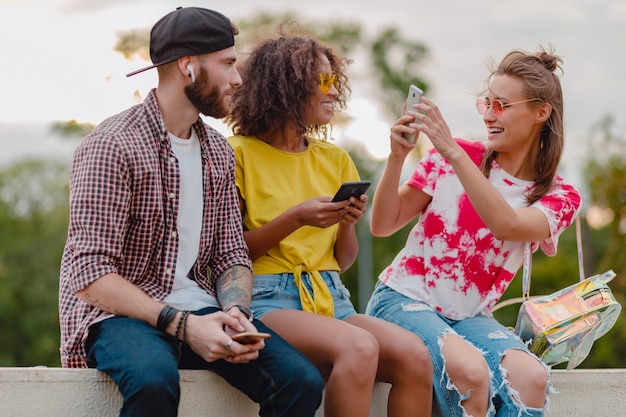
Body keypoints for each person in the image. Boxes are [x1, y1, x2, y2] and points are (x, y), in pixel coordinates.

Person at [58, 7, 323, 417]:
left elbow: (230, 253)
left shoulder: (217, 151)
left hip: (200, 309)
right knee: (153, 381)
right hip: (119, 316)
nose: (237, 79)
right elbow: (89, 274)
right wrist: (184, 326)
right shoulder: (112, 145)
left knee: (300, 382)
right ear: (188, 67)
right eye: (228, 64)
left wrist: (235, 312)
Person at [365, 46, 582, 417]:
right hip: (403, 300)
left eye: (502, 106)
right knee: (470, 371)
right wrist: (397, 158)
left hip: (471, 318)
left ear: (540, 112)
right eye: (487, 103)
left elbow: (509, 225)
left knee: (531, 377)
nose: (488, 116)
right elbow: (383, 225)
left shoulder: (558, 196)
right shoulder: (453, 157)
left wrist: (453, 152)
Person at [225, 33, 433, 417]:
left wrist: (346, 223)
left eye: (334, 80)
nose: (334, 91)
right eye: (323, 81)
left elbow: (343, 260)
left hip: (331, 297)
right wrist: (295, 218)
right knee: (358, 346)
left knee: (414, 355)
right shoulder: (235, 153)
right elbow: (228, 255)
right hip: (266, 299)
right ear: (287, 86)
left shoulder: (334, 158)